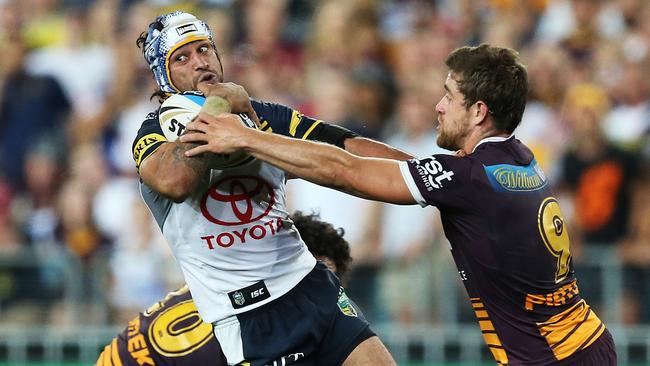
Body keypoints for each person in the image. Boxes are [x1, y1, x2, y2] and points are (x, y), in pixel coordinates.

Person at [182, 44, 618, 365]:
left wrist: (246, 137)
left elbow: (347, 171)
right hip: (581, 343)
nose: (439, 105)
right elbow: (413, 169)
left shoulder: (467, 177)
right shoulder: (516, 158)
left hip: (553, 358)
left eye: (450, 96)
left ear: (479, 111)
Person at [133, 11, 403, 366]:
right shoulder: (152, 132)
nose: (199, 63)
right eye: (181, 58)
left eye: (204, 50)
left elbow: (347, 147)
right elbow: (175, 182)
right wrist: (220, 103)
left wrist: (430, 171)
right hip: (249, 318)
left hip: (309, 285)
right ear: (164, 76)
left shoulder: (262, 115)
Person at [95, 211, 355, 366]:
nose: (321, 292)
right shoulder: (258, 311)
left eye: (329, 282)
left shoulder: (240, 284)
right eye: (317, 277)